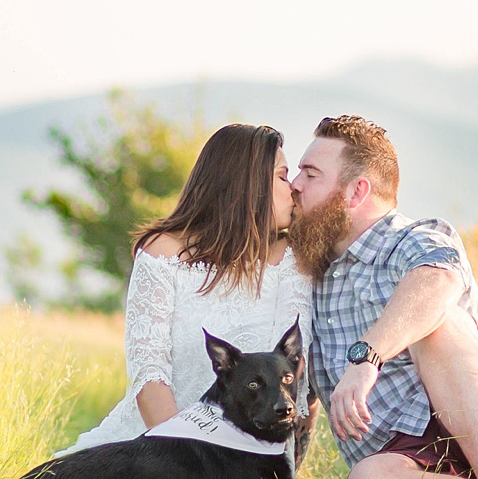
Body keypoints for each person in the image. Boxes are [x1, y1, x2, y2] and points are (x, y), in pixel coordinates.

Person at [289, 115, 478, 479]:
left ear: (355, 192)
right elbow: (299, 391)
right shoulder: (312, 273)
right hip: (415, 456)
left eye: (311, 174)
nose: (295, 184)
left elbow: (437, 280)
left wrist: (367, 358)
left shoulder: (413, 238)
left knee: (437, 318)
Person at [61, 122, 314, 458]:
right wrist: (188, 467)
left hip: (256, 464)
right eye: (283, 176)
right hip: (159, 449)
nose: (294, 188)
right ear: (249, 185)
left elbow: (299, 379)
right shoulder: (163, 254)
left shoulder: (295, 262)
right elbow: (149, 375)